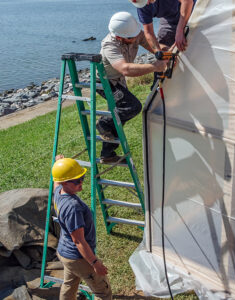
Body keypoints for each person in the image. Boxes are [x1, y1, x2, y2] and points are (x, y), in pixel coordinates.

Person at [96, 11, 167, 164]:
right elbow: (125, 69)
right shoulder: (109, 45)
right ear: (120, 37)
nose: (136, 38)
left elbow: (151, 46)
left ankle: (107, 154)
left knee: (121, 116)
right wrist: (154, 66)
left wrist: (165, 53)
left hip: (117, 80)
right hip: (105, 82)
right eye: (132, 38)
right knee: (131, 107)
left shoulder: (133, 33)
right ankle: (104, 123)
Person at [52, 155, 112, 300]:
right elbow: (79, 241)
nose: (81, 183)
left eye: (82, 178)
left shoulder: (59, 192)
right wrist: (95, 263)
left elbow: (56, 180)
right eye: (76, 181)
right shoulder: (73, 208)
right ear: (65, 183)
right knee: (103, 291)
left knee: (69, 285)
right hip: (79, 258)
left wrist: (59, 163)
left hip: (65, 253)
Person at [130, 0, 195, 52]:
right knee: (163, 42)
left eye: (146, 1)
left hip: (190, 9)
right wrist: (158, 52)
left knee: (191, 39)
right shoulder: (142, 7)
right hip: (169, 18)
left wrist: (180, 30)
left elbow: (187, 2)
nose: (147, 4)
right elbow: (148, 32)